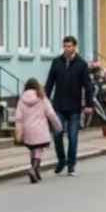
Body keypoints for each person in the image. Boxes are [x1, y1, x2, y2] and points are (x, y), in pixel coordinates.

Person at [44, 36, 94, 176]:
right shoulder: (56, 62)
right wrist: (44, 101)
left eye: (70, 46)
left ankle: (71, 165)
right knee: (58, 134)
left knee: (73, 137)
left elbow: (88, 86)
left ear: (75, 47)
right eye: (65, 46)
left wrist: (89, 104)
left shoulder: (81, 64)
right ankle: (61, 160)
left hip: (74, 108)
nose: (67, 49)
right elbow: (49, 84)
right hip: (58, 106)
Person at [14, 79, 63, 184]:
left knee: (33, 150)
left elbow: (18, 118)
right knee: (39, 150)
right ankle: (33, 169)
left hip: (28, 130)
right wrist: (58, 127)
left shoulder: (21, 100)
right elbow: (51, 114)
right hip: (40, 130)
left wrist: (19, 131)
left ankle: (36, 172)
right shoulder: (42, 98)